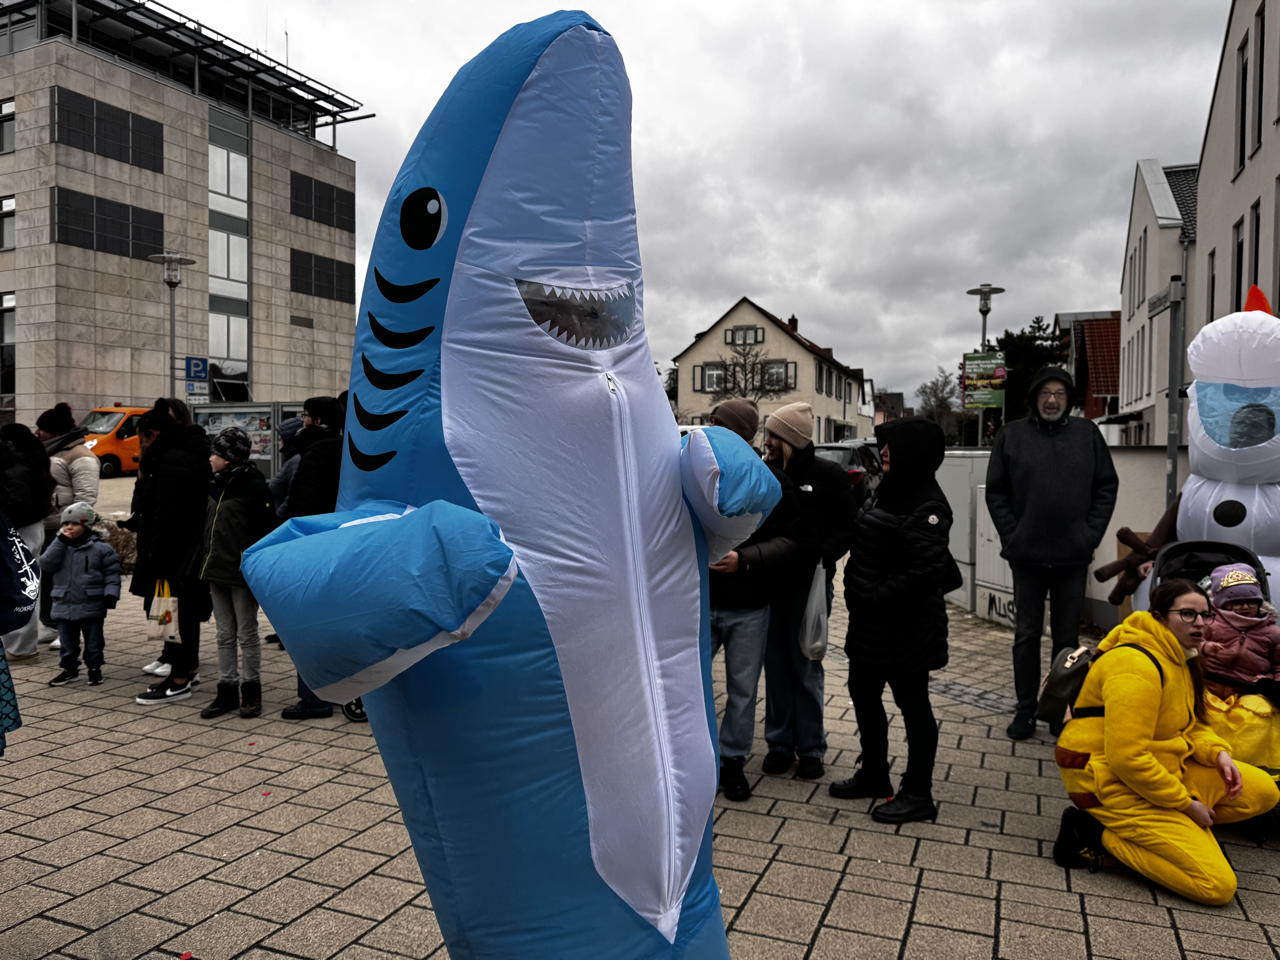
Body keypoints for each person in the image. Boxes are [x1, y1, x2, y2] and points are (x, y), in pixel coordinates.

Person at [1053, 579, 1279, 905]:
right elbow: (1127, 758)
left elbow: (1190, 725)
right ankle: (1092, 834)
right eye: (1188, 614)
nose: (1200, 624)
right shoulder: (1136, 665)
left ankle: (1171, 832)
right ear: (1159, 615)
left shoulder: (1178, 655)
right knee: (1216, 887)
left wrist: (1219, 756)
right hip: (1105, 780)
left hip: (1158, 766)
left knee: (1263, 791)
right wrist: (1187, 805)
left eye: (1205, 615)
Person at [830, 416, 961, 823]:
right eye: (883, 445)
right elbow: (864, 535)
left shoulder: (930, 504)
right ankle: (873, 774)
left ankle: (918, 793)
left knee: (913, 705)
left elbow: (925, 573)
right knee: (863, 694)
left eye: (893, 446)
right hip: (870, 625)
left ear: (916, 453)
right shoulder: (887, 490)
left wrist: (871, 597)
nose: (884, 452)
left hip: (907, 628)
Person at [985, 367, 1118, 740]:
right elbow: (996, 492)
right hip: (1026, 556)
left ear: (1069, 399)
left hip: (1072, 557)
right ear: (1034, 397)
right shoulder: (1012, 435)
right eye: (1045, 392)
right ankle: (1025, 710)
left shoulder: (1086, 435)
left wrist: (1089, 536)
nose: (1052, 400)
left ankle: (1059, 711)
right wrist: (1014, 534)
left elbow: (1106, 487)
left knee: (1067, 640)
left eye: (1059, 393)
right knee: (1026, 635)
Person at [704, 399, 800, 801]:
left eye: (717, 424)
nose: (709, 430)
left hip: (749, 605)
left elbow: (793, 541)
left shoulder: (773, 482)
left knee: (742, 690)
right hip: (700, 601)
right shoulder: (695, 474)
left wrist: (744, 559)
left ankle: (732, 762)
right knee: (690, 685)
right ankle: (697, 758)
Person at [759, 401, 856, 780]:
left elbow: (848, 526)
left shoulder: (828, 475)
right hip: (771, 587)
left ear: (790, 440)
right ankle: (779, 744)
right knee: (776, 667)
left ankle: (811, 747)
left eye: (772, 435)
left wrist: (823, 556)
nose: (766, 441)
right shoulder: (766, 473)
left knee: (806, 665)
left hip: (811, 588)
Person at [125, 400, 211, 705]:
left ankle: (180, 678)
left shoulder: (172, 461)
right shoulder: (182, 454)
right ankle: (179, 669)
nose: (141, 444)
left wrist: (156, 555)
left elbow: (168, 515)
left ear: (156, 432)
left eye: (144, 437)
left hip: (173, 558)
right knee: (167, 615)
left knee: (175, 615)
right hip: (175, 555)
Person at [197, 427, 275, 720]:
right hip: (215, 569)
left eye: (215, 453)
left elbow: (265, 531)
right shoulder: (214, 484)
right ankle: (226, 689)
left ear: (229, 458)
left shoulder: (254, 487)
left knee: (247, 633)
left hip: (241, 573)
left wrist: (253, 565)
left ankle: (251, 691)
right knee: (223, 633)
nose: (211, 458)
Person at [279, 395, 346, 719]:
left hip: (313, 550)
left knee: (307, 626)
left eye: (306, 416)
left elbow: (302, 507)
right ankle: (342, 690)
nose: (302, 421)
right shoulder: (348, 449)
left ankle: (313, 698)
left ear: (317, 421)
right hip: (343, 546)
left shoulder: (315, 453)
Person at [1197, 564, 1280, 772]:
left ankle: (1253, 764)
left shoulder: (1271, 631)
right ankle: (1212, 760)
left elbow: (1278, 663)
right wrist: (1204, 648)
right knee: (1209, 716)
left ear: (1260, 602)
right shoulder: (1209, 623)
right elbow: (1187, 645)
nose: (1244, 607)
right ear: (1222, 602)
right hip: (1210, 682)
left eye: (1250, 601)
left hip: (1250, 686)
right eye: (1236, 602)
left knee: (1257, 716)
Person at [34, 403, 100, 646]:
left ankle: (71, 630)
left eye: (42, 428)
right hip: (46, 524)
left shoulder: (80, 455)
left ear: (54, 431)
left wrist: (73, 527)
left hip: (65, 527)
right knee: (48, 580)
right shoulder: (50, 450)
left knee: (68, 581)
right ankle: (51, 625)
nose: (37, 432)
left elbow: (86, 497)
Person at [40, 502, 120, 688]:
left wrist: (110, 594)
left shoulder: (101, 549)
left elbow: (112, 574)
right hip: (63, 603)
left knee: (94, 643)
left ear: (87, 525)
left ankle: (95, 669)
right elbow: (46, 564)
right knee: (67, 644)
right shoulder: (59, 546)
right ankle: (69, 670)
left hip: (91, 603)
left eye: (74, 524)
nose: (69, 527)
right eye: (65, 524)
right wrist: (60, 542)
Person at [0, 425, 53, 661]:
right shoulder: (33, 462)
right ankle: (20, 644)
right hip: (31, 527)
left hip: (19, 530)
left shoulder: (15, 469)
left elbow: (17, 505)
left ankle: (21, 647)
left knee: (20, 586)